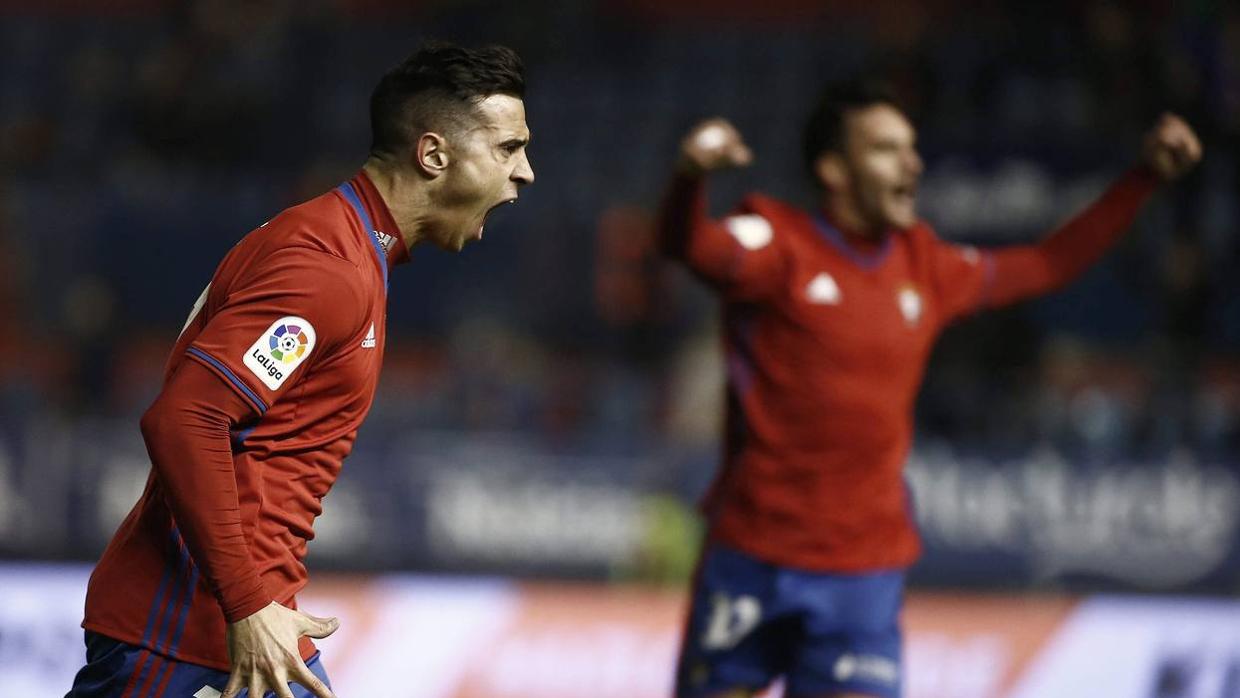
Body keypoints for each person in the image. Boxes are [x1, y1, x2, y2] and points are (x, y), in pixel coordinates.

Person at [659, 81, 1200, 698]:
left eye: (911, 148)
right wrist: (688, 177)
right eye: (887, 149)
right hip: (752, 559)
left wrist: (1142, 179)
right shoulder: (777, 242)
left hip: (862, 576)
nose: (912, 163)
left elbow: (1049, 263)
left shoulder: (926, 266)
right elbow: (689, 245)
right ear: (833, 169)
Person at [68, 41, 534, 698]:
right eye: (508, 149)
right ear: (434, 155)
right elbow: (186, 418)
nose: (526, 173)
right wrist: (247, 604)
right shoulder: (327, 268)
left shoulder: (348, 249)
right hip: (194, 636)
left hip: (239, 629)